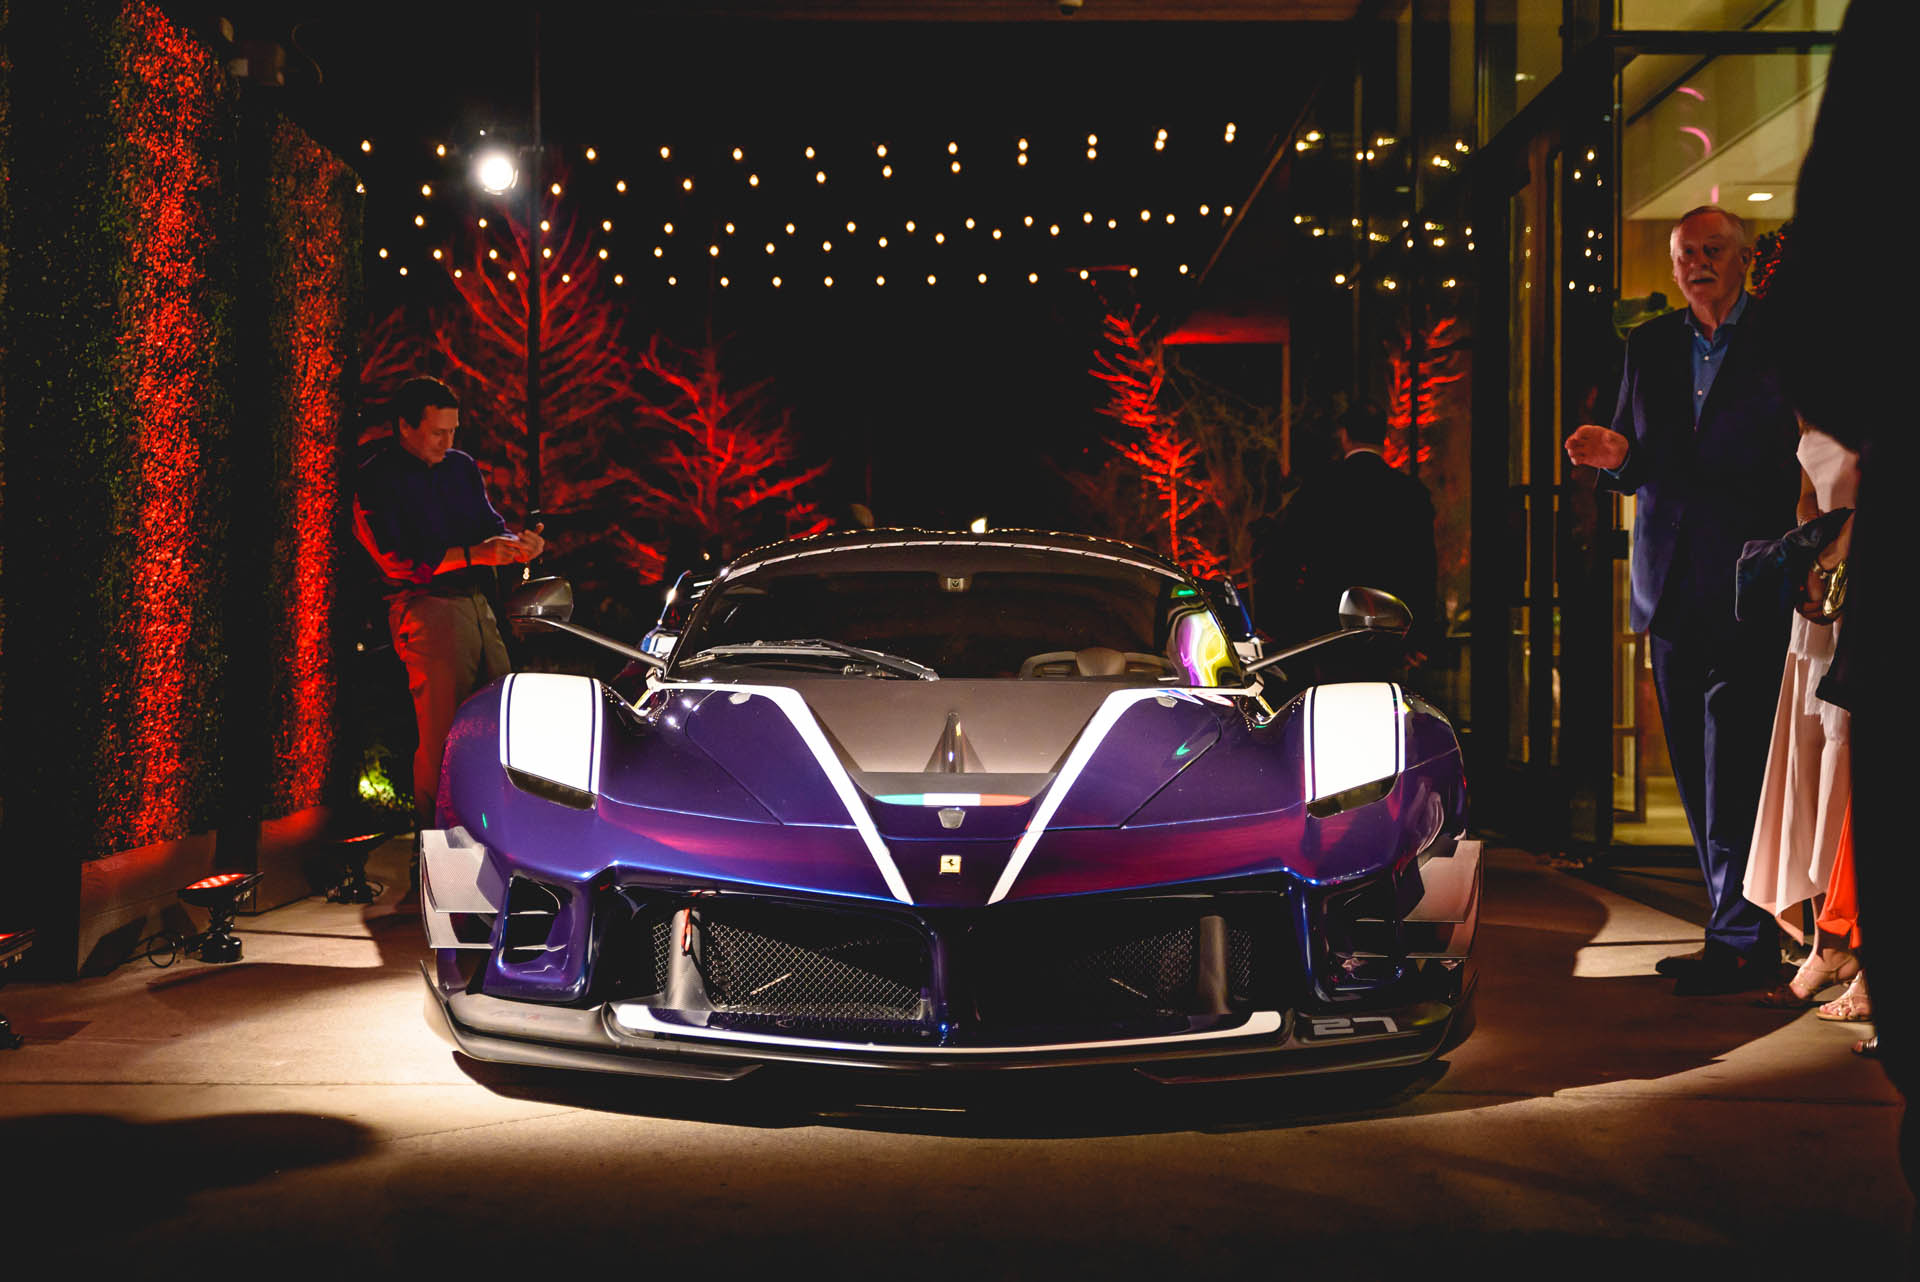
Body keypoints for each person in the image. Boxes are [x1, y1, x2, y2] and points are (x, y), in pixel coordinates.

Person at [1565, 205, 1801, 996]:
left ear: (1742, 258)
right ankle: (1732, 927)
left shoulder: (1781, 341)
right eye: (1683, 254)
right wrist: (1613, 458)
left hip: (1747, 575)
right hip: (1667, 584)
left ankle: (1743, 935)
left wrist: (1641, 454)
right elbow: (1639, 457)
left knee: (1734, 758)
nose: (1695, 263)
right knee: (1699, 777)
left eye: (1710, 250)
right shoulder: (1651, 344)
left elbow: (1765, 455)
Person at [352, 377, 545, 826]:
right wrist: (477, 553)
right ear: (405, 427)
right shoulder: (377, 477)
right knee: (443, 735)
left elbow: (489, 525)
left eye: (453, 431)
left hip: (477, 604)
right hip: (427, 607)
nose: (448, 441)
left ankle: (495, 835)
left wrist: (518, 544)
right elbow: (397, 560)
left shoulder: (460, 467)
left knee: (497, 724)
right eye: (438, 432)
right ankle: (439, 849)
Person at [1749, 420, 1860, 1007]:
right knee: (1812, 762)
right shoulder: (1809, 410)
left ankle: (1867, 954)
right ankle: (1826, 942)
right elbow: (1806, 496)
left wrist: (1840, 555)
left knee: (1853, 768)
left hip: (1867, 584)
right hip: (1820, 598)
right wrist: (1809, 560)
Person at [1252, 402, 1440, 665]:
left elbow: (1286, 555)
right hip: (1391, 633)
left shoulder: (1321, 488)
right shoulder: (1409, 493)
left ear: (1345, 436)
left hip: (1325, 631)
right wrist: (1420, 637)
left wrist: (1273, 622)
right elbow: (1423, 567)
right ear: (1383, 438)